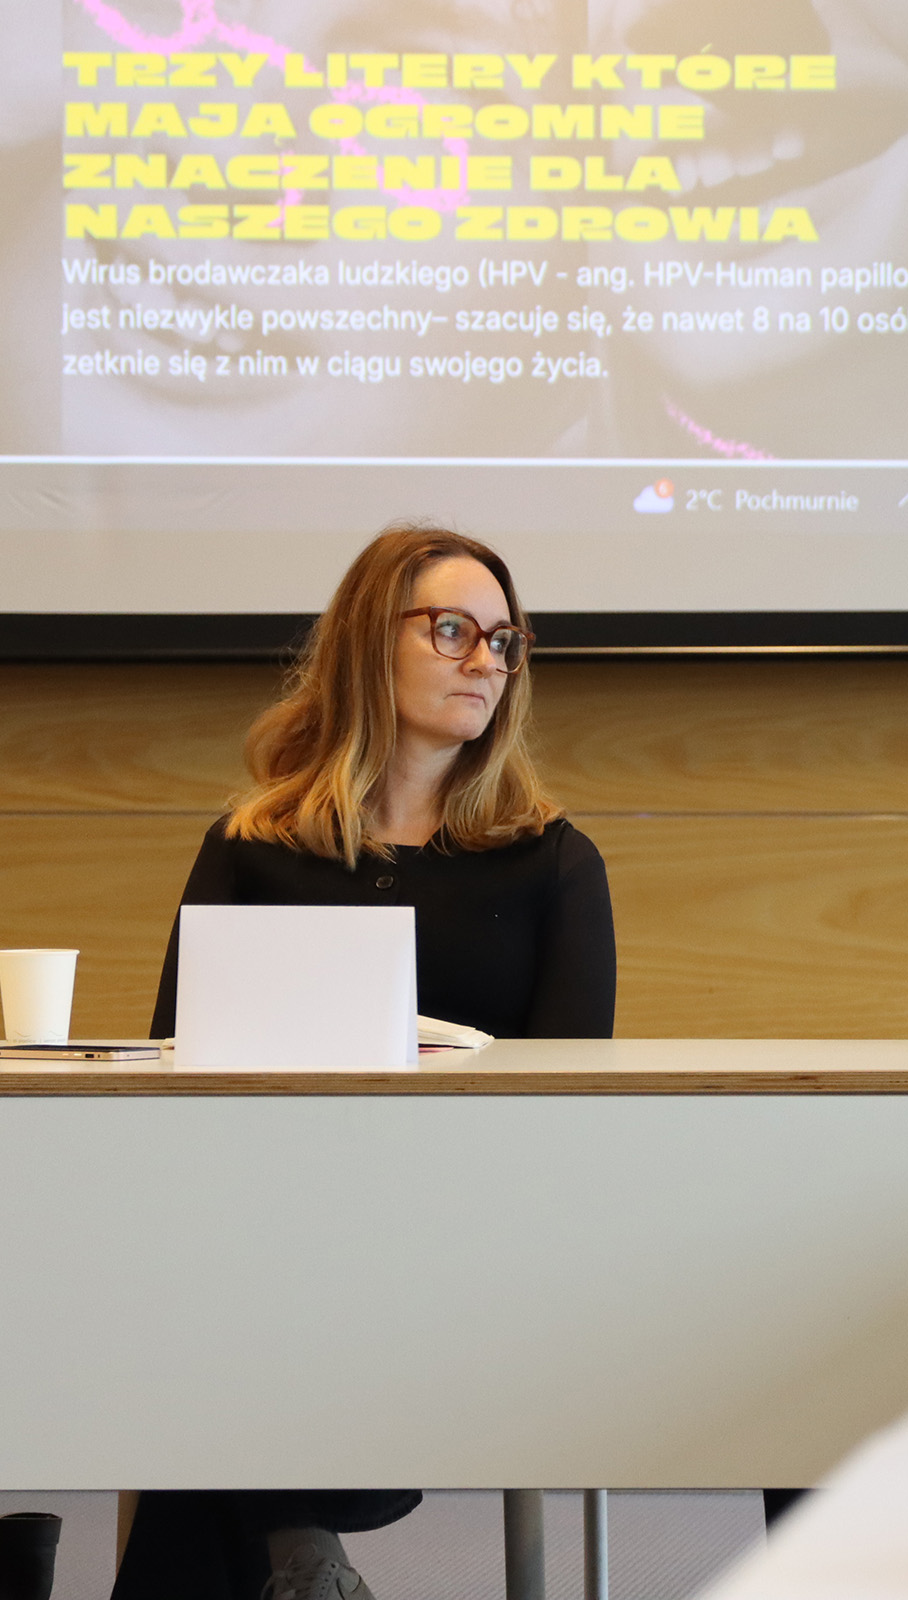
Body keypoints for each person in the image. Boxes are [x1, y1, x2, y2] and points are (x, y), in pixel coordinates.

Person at [118, 524, 615, 1600]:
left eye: (505, 641)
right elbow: (173, 1073)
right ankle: (296, 1555)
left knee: (213, 1325)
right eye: (453, 631)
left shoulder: (553, 862)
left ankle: (294, 1548)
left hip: (459, 1245)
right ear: (366, 642)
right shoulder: (252, 846)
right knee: (207, 1270)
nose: (486, 661)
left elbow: (570, 1112)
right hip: (263, 1230)